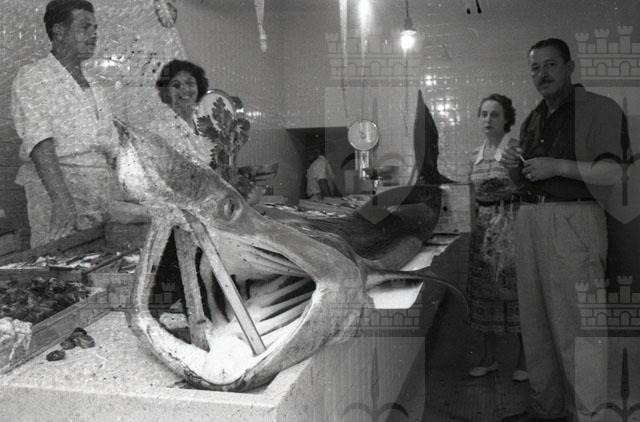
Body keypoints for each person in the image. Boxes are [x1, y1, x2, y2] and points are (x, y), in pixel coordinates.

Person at [500, 38, 626, 422]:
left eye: (550, 64)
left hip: (573, 220)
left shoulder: (598, 109)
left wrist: (557, 166)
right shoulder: (535, 117)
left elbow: (613, 172)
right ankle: (548, 410)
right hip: (532, 219)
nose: (542, 74)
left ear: (570, 67)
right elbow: (525, 180)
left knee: (579, 328)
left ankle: (588, 415)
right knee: (536, 327)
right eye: (535, 67)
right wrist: (512, 166)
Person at [11, 0, 122, 247]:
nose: (94, 34)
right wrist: (61, 201)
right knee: (61, 263)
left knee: (101, 262)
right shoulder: (33, 76)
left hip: (100, 195)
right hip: (59, 195)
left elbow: (112, 148)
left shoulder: (93, 83)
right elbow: (39, 142)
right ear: (59, 31)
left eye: (95, 28)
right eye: (85, 27)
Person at [466, 94, 527, 383]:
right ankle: (488, 358)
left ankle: (525, 360)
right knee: (484, 294)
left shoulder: (516, 151)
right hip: (483, 232)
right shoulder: (474, 156)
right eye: (484, 114)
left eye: (495, 114)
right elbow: (471, 198)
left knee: (517, 294)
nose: (488, 119)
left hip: (512, 228)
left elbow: (527, 187)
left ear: (506, 119)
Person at [150, 59, 211, 168]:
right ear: (167, 92)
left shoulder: (201, 123)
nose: (184, 89)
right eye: (176, 85)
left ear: (199, 87)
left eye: (190, 83)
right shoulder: (160, 128)